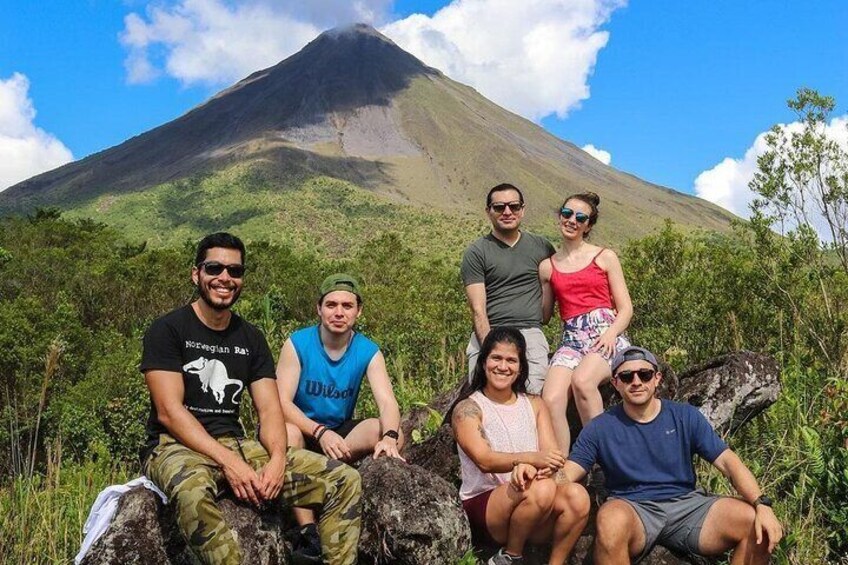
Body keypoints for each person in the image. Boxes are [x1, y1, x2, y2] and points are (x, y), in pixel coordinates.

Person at [140, 233, 361, 565]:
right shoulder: (168, 329)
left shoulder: (250, 337)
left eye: (235, 271)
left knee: (344, 480)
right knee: (193, 494)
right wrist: (231, 465)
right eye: (214, 268)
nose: (225, 278)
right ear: (196, 274)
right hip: (174, 445)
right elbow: (169, 412)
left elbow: (270, 408)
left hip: (237, 443)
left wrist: (275, 459)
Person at [559, 346, 784, 563]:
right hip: (633, 508)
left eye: (644, 375)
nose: (636, 382)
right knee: (609, 520)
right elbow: (570, 472)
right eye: (627, 377)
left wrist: (761, 503)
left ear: (657, 379)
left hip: (687, 505)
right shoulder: (600, 427)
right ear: (615, 383)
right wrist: (540, 477)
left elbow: (728, 462)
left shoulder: (684, 416)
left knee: (755, 524)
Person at [276, 273, 404, 552]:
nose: (338, 312)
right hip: (303, 429)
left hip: (340, 431)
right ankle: (307, 530)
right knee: (287, 433)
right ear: (318, 309)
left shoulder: (367, 350)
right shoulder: (297, 344)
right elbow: (281, 403)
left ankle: (344, 490)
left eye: (347, 306)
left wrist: (390, 437)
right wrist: (319, 433)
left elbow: (387, 403)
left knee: (385, 429)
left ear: (358, 312)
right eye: (331, 304)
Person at [450, 327, 590, 565]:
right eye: (496, 358)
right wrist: (530, 461)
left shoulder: (535, 404)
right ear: (483, 362)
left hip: (534, 498)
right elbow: (484, 460)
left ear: (520, 368)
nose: (503, 367)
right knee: (542, 489)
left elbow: (551, 457)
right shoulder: (468, 408)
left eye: (511, 360)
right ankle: (510, 556)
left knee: (578, 496)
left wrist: (536, 468)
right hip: (487, 504)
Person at [539, 192, 633, 454]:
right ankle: (560, 467)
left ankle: (603, 458)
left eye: (581, 217)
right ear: (559, 216)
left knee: (582, 381)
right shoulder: (547, 267)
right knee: (551, 397)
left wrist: (612, 333)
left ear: (588, 225)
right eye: (567, 214)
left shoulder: (605, 257)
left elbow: (625, 308)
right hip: (571, 339)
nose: (572, 220)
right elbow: (545, 315)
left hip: (605, 333)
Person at [461, 183, 556, 394]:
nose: (507, 212)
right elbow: (478, 308)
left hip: (530, 331)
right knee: (484, 397)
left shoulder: (541, 247)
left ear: (522, 209)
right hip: (490, 329)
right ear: (488, 211)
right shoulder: (476, 252)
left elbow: (553, 288)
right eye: (499, 207)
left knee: (533, 393)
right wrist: (490, 348)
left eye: (513, 206)